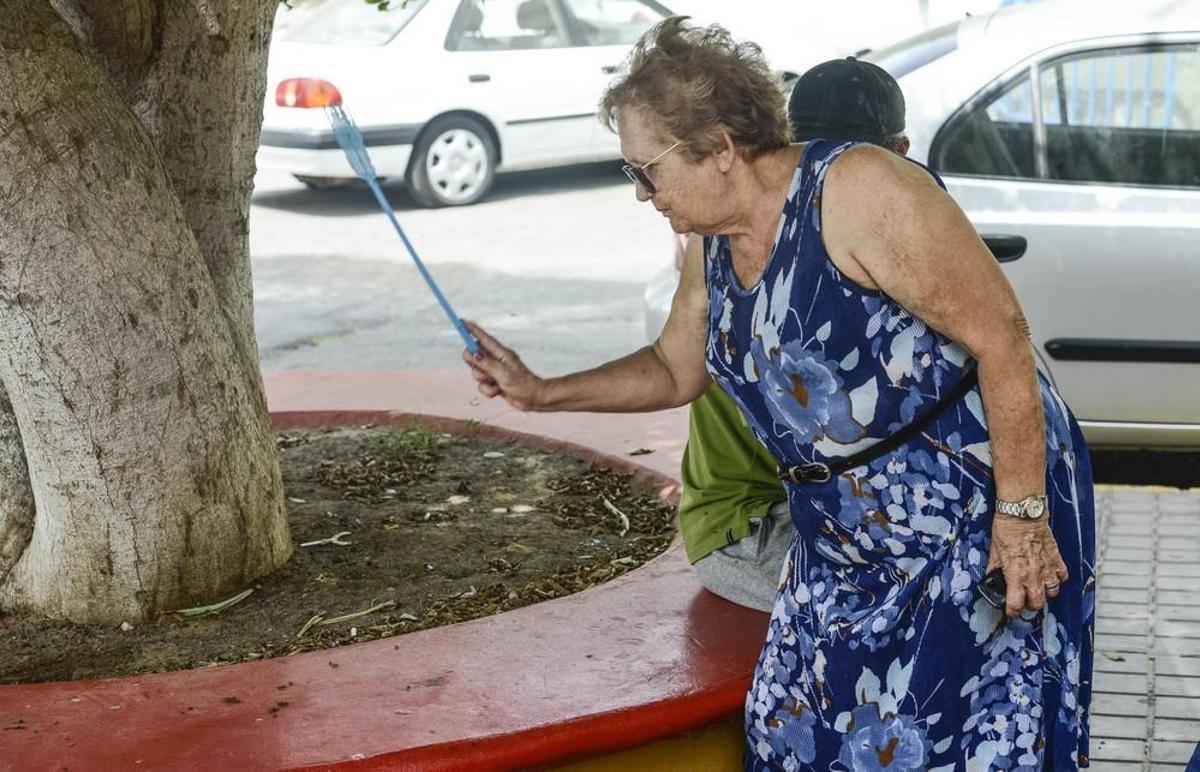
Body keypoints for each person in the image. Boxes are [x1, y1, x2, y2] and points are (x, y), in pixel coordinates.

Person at [463, 17, 1095, 770]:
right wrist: (540, 392)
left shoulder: (857, 187)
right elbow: (675, 368)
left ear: (722, 149)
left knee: (953, 741)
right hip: (840, 534)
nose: (641, 194)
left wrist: (1021, 518)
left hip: (971, 508)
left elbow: (1004, 337)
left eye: (647, 171)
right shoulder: (715, 238)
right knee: (787, 730)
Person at [685, 56, 914, 614]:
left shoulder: (873, 233)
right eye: (818, 158)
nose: (830, 177)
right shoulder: (765, 247)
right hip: (753, 520)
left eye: (848, 163)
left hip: (820, 498)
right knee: (904, 602)